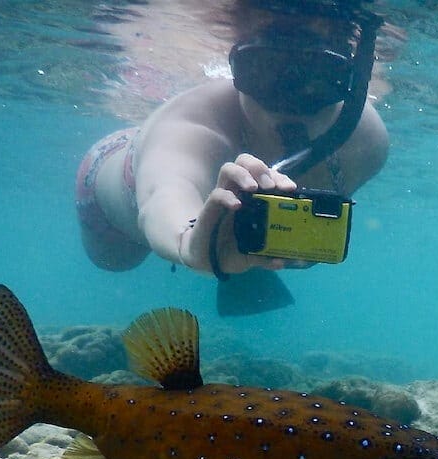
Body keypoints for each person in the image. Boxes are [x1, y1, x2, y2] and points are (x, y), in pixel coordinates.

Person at [75, 0, 390, 313]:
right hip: (110, 181)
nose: (288, 93)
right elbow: (165, 193)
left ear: (349, 80)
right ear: (236, 68)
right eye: (264, 68)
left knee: (244, 253)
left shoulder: (367, 141)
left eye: (318, 74)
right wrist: (190, 245)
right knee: (116, 262)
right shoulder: (194, 123)